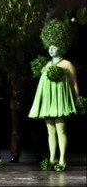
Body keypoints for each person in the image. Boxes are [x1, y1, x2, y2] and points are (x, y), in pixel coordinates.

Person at [28, 18, 80, 172]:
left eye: (54, 45)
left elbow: (74, 83)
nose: (51, 48)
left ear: (62, 46)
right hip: (49, 103)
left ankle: (62, 159)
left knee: (61, 129)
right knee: (50, 130)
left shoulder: (67, 64)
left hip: (61, 102)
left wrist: (77, 100)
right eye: (49, 46)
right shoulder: (47, 65)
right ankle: (52, 158)